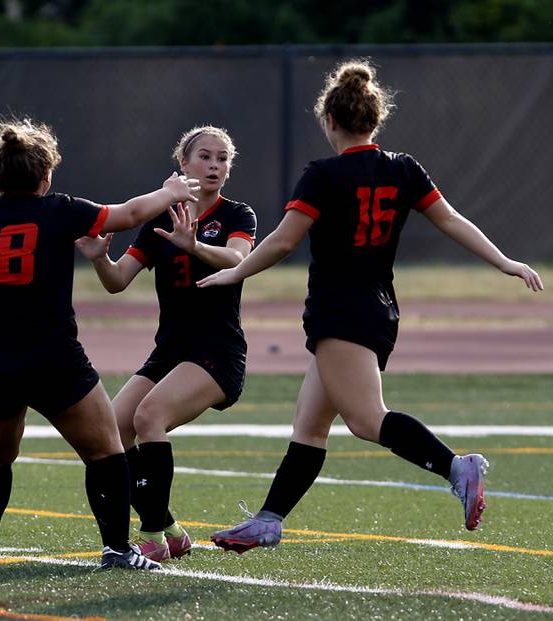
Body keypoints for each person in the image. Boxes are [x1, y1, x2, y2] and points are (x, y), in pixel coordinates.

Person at [198, 60, 544, 553]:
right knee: (311, 424)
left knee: (364, 419)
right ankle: (269, 519)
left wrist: (236, 271)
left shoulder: (322, 174)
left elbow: (281, 243)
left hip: (341, 311)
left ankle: (456, 467)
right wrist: (504, 260)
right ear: (374, 120)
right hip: (378, 308)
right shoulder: (403, 168)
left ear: (329, 121)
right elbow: (451, 221)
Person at [0, 117, 201, 569]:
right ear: (46, 176)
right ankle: (116, 549)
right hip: (51, 354)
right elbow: (127, 214)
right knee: (105, 450)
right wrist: (169, 192)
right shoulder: (60, 210)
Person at [75, 126, 256, 562]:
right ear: (183, 164)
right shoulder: (161, 216)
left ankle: (152, 537)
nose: (215, 166)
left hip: (217, 352)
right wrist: (100, 257)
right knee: (110, 431)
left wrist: (194, 246)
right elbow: (118, 281)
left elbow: (238, 259)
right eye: (206, 157)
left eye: (222, 159)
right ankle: (172, 529)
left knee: (149, 415)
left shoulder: (237, 215)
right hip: (171, 350)